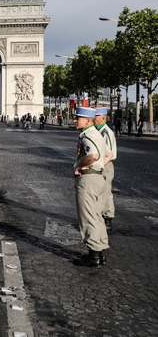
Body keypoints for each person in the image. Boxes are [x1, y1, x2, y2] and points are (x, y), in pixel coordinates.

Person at [72, 107, 112, 268]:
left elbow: (93, 156)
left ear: (88, 121)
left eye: (78, 118)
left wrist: (79, 166)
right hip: (99, 178)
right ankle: (101, 252)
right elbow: (108, 155)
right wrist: (99, 166)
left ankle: (93, 256)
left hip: (88, 179)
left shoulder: (88, 136)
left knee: (88, 217)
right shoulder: (97, 134)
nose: (75, 120)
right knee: (97, 216)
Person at [95, 108, 117, 233]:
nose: (94, 118)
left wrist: (99, 165)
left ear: (103, 118)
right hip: (100, 163)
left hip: (105, 164)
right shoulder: (99, 131)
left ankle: (108, 217)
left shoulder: (106, 132)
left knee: (106, 191)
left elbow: (110, 154)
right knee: (100, 192)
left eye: (96, 116)